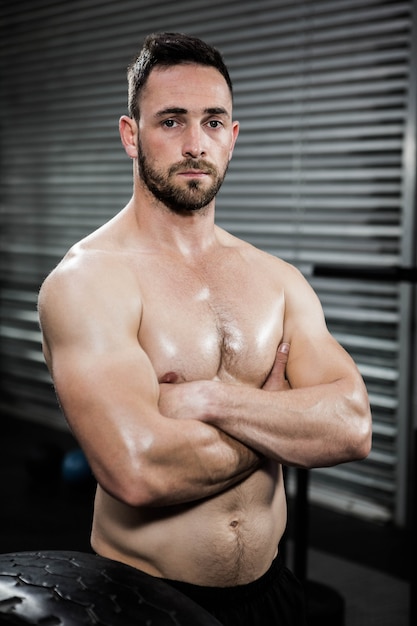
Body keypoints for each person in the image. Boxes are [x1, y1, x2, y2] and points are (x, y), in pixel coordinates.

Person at [38, 32, 372, 626]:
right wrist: (276, 420)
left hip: (272, 593)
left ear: (233, 138)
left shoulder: (277, 279)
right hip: (142, 600)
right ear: (130, 134)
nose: (196, 144)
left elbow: (351, 426)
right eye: (171, 121)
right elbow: (138, 471)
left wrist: (214, 398)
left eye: (213, 122)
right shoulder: (88, 282)